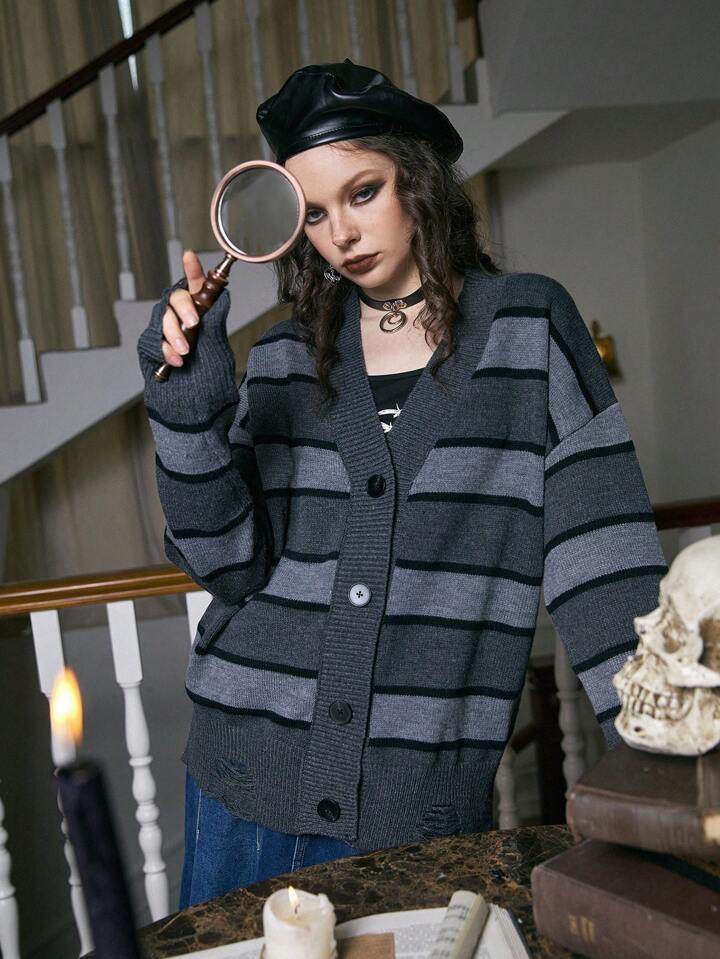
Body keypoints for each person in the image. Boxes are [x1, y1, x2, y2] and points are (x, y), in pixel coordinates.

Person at [137, 60, 667, 908]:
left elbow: (606, 569)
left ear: (416, 179)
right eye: (314, 214)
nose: (341, 234)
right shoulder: (282, 355)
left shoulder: (527, 327)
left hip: (411, 808)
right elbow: (225, 565)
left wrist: (669, 773)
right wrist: (187, 409)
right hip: (237, 781)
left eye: (363, 192)